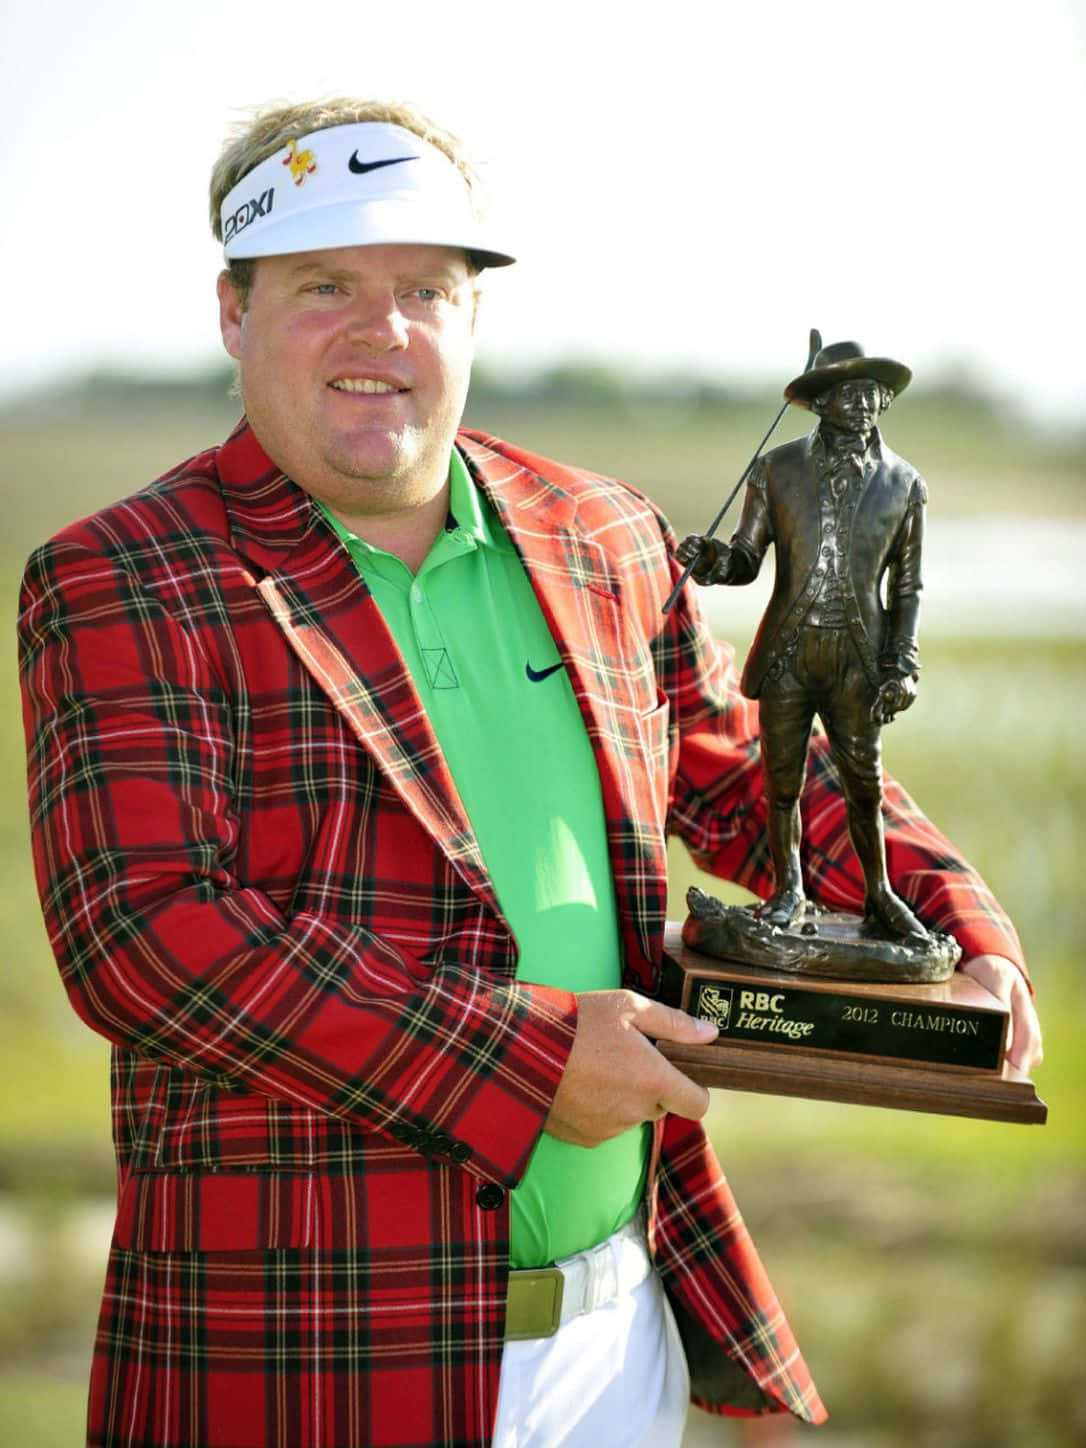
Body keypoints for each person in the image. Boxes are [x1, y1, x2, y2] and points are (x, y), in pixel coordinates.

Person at [17, 99, 1041, 1448]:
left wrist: (959, 930)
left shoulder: (598, 532)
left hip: (621, 1336)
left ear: (470, 317)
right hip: (304, 1349)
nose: (382, 332)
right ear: (233, 312)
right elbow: (147, 937)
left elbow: (745, 770)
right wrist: (526, 1062)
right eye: (326, 287)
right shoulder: (124, 574)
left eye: (425, 291)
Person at [677, 341, 931, 941]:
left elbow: (910, 586)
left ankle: (879, 895)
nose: (864, 402)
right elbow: (745, 559)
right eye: (850, 391)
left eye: (873, 392)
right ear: (820, 402)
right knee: (780, 780)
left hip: (859, 661)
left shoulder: (905, 484)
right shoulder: (776, 469)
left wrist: (904, 664)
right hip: (788, 653)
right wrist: (711, 559)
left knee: (862, 783)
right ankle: (788, 889)